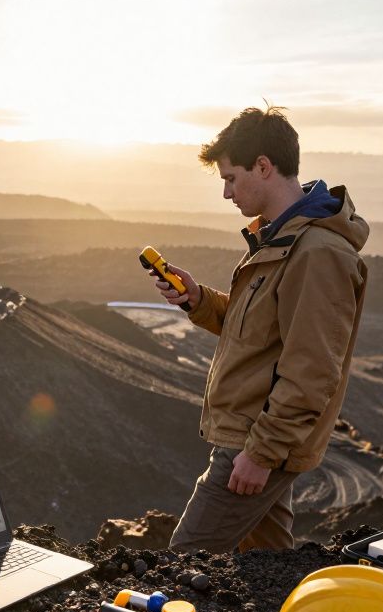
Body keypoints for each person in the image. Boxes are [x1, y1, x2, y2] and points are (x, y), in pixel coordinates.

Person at [150, 105, 369, 553]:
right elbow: (260, 332)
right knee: (265, 568)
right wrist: (199, 300)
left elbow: (312, 372)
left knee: (178, 569)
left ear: (264, 167)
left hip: (255, 443)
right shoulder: (281, 238)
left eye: (231, 178)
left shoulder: (318, 253)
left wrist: (261, 454)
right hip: (255, 439)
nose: (227, 194)